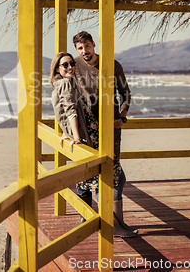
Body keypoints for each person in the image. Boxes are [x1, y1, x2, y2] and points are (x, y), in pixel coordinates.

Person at [72, 31, 138, 238]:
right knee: (85, 171)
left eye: (87, 47)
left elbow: (125, 92)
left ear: (93, 44)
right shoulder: (72, 66)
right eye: (80, 48)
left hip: (111, 126)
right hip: (86, 128)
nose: (85, 52)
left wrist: (123, 117)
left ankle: (115, 222)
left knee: (113, 172)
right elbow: (65, 96)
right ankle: (87, 217)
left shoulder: (111, 64)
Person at [50, 52, 100, 221]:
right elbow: (70, 111)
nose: (70, 67)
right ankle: (87, 217)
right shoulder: (65, 83)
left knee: (87, 175)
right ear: (57, 68)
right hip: (86, 134)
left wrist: (66, 133)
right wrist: (76, 137)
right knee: (90, 175)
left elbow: (62, 111)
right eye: (65, 65)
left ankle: (87, 217)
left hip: (88, 130)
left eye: (72, 63)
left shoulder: (68, 82)